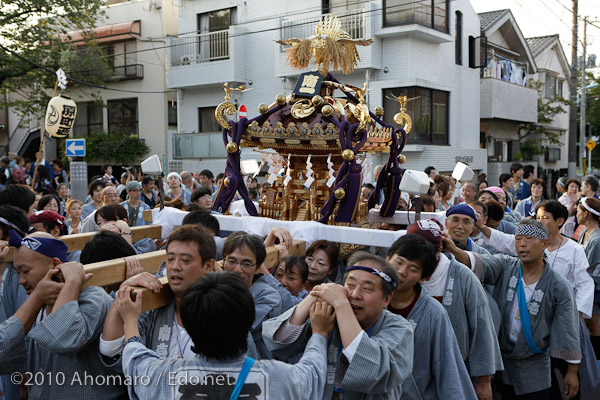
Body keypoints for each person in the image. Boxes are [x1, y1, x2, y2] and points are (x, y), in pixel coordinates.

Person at [115, 272, 333, 399]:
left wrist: (131, 319)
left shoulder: (164, 374)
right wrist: (320, 333)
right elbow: (312, 373)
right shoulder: (279, 377)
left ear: (189, 329)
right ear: (249, 320)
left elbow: (135, 357)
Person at [445, 220, 581, 399]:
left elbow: (568, 327)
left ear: (544, 244)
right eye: (518, 239)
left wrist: (571, 371)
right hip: (504, 363)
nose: (522, 244)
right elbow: (482, 262)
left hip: (535, 365)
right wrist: (454, 250)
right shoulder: (506, 265)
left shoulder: (558, 285)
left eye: (529, 239)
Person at [263, 251, 414, 399]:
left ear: (386, 299)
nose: (354, 294)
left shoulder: (399, 328)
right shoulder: (330, 314)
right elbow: (277, 341)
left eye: (366, 288)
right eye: (350, 285)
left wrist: (342, 304)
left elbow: (371, 372)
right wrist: (317, 294)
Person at [10, 231, 125, 398]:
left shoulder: (93, 297)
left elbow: (63, 339)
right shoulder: (41, 301)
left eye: (25, 271)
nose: (21, 280)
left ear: (55, 264)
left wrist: (71, 281)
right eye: (17, 273)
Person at [100, 225, 237, 364]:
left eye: (185, 260)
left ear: (208, 266)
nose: (175, 267)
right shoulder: (153, 306)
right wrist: (124, 290)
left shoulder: (225, 312)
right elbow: (111, 352)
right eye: (170, 259)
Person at [406, 219, 503, 399]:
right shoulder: (401, 274)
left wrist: (484, 380)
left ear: (439, 250)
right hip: (411, 368)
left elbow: (482, 328)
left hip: (455, 366)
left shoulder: (462, 276)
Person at [386, 234, 477, 400]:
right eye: (398, 262)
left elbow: (447, 364)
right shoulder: (369, 300)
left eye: (413, 269)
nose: (401, 272)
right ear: (387, 259)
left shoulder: (433, 313)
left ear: (424, 277)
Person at [222, 232, 283, 359]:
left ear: (258, 268)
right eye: (231, 261)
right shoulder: (212, 287)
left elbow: (238, 328)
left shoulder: (269, 297)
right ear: (223, 261)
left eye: (246, 264)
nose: (237, 269)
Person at [576, 197, 600, 361]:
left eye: (578, 210)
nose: (576, 214)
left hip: (594, 287)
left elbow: (590, 267)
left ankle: (596, 359)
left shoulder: (596, 238)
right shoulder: (585, 232)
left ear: (586, 213)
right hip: (586, 284)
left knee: (592, 323)